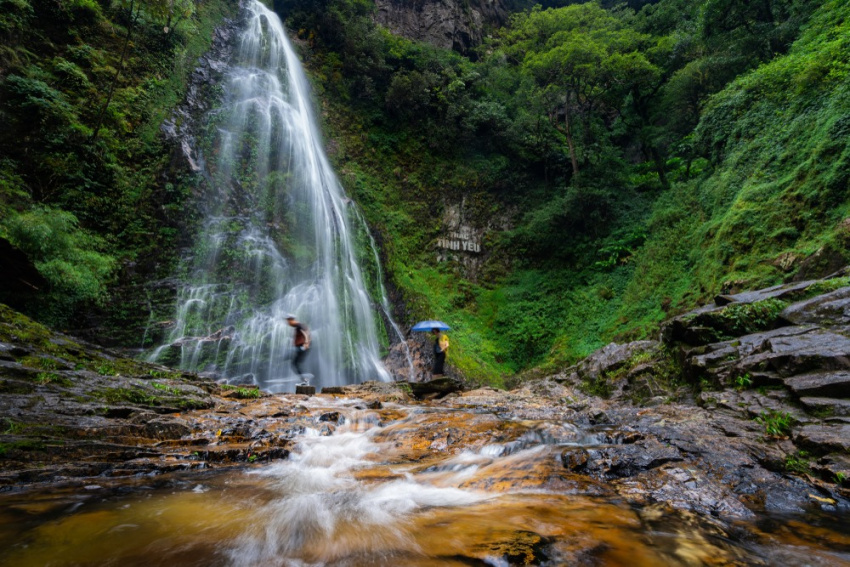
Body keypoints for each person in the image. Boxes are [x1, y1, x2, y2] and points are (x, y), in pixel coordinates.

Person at [286, 315, 311, 379]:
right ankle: (304, 379)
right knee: (295, 364)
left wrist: (306, 343)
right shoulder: (298, 326)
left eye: (288, 321)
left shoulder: (298, 325)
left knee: (287, 354)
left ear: (291, 320)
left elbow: (306, 333)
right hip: (301, 347)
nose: (288, 323)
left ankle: (305, 377)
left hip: (302, 347)